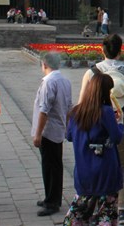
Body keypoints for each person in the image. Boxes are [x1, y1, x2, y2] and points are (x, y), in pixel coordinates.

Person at [78, 34, 124, 225]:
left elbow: (82, 102)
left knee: (98, 166)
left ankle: (96, 207)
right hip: (123, 126)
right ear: (120, 51)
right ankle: (123, 211)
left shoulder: (92, 72)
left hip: (97, 128)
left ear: (102, 50)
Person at [64, 72, 124, 225]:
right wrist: (120, 123)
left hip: (83, 170)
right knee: (106, 211)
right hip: (105, 170)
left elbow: (69, 136)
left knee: (79, 210)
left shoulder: (76, 111)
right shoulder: (106, 111)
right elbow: (117, 137)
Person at [32, 51, 72, 216]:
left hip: (48, 131)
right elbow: (69, 107)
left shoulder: (49, 82)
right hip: (58, 129)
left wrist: (38, 134)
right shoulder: (65, 81)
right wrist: (67, 126)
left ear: (44, 64)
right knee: (54, 165)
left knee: (50, 167)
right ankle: (52, 197)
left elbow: (44, 110)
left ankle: (52, 202)